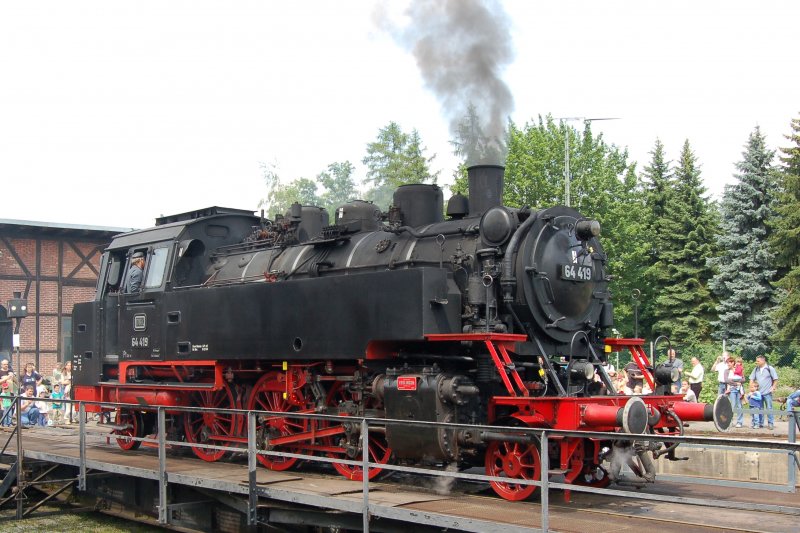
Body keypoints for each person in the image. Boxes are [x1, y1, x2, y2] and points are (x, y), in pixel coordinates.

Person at [749, 355, 779, 430]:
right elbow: (751, 379)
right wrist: (751, 388)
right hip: (758, 393)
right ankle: (760, 423)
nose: (757, 362)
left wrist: (773, 387)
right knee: (760, 409)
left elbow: (775, 379)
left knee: (769, 408)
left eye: (758, 361)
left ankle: (770, 423)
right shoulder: (756, 369)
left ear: (763, 361)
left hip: (767, 393)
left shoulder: (770, 368)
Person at [724, 357, 744, 428]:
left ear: (733, 363)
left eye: (729, 363)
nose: (728, 364)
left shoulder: (738, 369)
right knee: (731, 406)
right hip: (731, 390)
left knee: (739, 406)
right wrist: (736, 383)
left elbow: (743, 379)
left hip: (739, 390)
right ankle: (730, 421)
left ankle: (739, 422)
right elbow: (727, 380)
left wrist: (737, 381)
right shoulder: (726, 371)